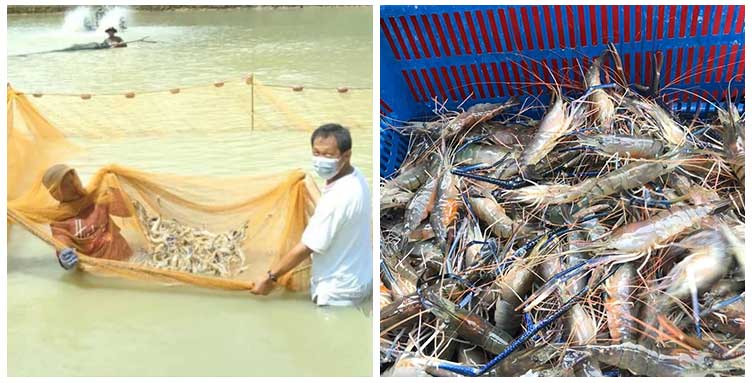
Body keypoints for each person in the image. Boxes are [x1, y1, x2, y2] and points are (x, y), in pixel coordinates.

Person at [251, 124, 372, 306]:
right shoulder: (356, 177)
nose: (321, 159)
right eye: (316, 153)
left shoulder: (339, 197)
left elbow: (306, 247)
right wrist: (310, 186)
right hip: (360, 279)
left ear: (346, 155)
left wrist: (270, 277)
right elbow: (334, 213)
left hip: (337, 293)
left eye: (328, 155)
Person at [42, 164, 133, 270]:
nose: (74, 186)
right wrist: (64, 256)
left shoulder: (96, 197)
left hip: (128, 258)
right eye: (66, 185)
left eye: (73, 179)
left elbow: (126, 212)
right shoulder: (59, 219)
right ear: (56, 193)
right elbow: (61, 241)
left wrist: (114, 187)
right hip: (100, 270)